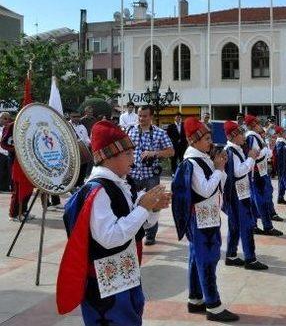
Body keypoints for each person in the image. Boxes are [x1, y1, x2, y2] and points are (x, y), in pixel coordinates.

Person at [56, 120, 171, 325]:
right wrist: (143, 208)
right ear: (109, 157)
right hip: (105, 282)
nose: (133, 159)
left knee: (130, 315)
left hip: (122, 274)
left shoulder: (119, 185)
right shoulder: (98, 191)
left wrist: (151, 208)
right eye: (128, 154)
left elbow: (134, 226)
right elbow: (109, 237)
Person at [170, 117, 239, 322]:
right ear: (193, 141)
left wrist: (221, 168)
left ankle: (196, 299)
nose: (210, 142)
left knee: (196, 258)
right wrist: (218, 169)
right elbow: (207, 190)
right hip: (201, 220)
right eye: (207, 138)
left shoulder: (202, 159)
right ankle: (213, 305)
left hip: (206, 216)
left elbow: (218, 185)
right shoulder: (192, 163)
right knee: (207, 260)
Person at [222, 121, 267, 271]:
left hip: (239, 192)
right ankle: (250, 258)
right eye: (240, 134)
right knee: (246, 225)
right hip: (237, 194)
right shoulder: (230, 151)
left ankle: (231, 254)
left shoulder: (236, 149)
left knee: (234, 225)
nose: (243, 136)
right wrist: (251, 158)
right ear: (232, 136)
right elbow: (238, 171)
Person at [127, 105, 174, 245]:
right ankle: (135, 233)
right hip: (134, 174)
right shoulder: (131, 131)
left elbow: (171, 151)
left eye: (145, 116)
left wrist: (154, 153)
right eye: (140, 115)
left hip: (151, 176)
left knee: (154, 205)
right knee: (133, 204)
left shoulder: (159, 133)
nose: (141, 118)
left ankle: (150, 235)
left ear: (151, 117)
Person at [244, 114, 283, 236]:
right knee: (261, 201)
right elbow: (253, 154)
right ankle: (267, 226)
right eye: (257, 123)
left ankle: (254, 225)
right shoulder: (251, 137)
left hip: (260, 171)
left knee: (258, 200)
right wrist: (266, 149)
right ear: (252, 126)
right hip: (256, 172)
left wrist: (267, 148)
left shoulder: (256, 137)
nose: (260, 125)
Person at [0, 112, 12, 192]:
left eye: (6, 118)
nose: (3, 120)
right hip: (0, 153)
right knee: (1, 171)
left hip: (8, 153)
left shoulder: (10, 128)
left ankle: (6, 188)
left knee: (8, 172)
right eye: (2, 118)